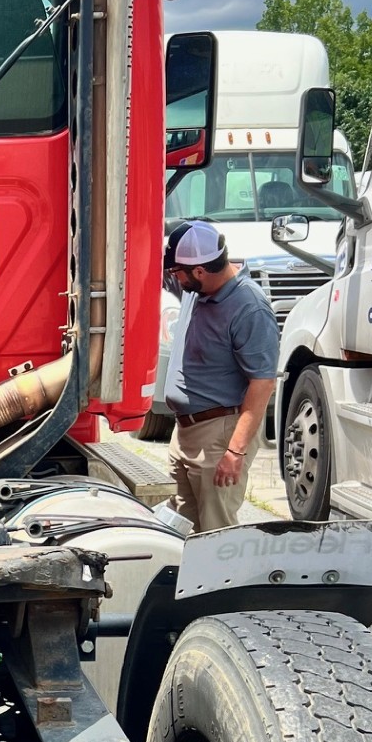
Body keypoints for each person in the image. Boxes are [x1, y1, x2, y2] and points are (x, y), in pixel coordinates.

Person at [161, 219, 280, 533]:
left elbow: (263, 382)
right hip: (185, 431)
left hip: (219, 435)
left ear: (199, 271)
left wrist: (235, 451)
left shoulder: (249, 307)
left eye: (177, 273)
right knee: (180, 529)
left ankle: (228, 584)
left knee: (216, 533)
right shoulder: (196, 288)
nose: (173, 279)